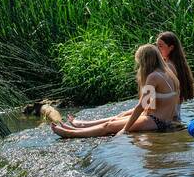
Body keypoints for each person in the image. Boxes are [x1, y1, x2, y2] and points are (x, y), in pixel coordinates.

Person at [47, 44, 181, 138]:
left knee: (109, 126)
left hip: (157, 121)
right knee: (119, 116)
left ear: (145, 60)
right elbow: (151, 104)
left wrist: (125, 129)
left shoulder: (153, 76)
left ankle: (71, 133)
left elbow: (142, 106)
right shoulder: (168, 72)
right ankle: (82, 125)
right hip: (162, 119)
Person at [155, 31, 194, 108]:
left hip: (168, 113)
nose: (157, 49)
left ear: (171, 48)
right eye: (156, 46)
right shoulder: (176, 64)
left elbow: (166, 95)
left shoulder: (169, 67)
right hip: (172, 110)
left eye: (160, 46)